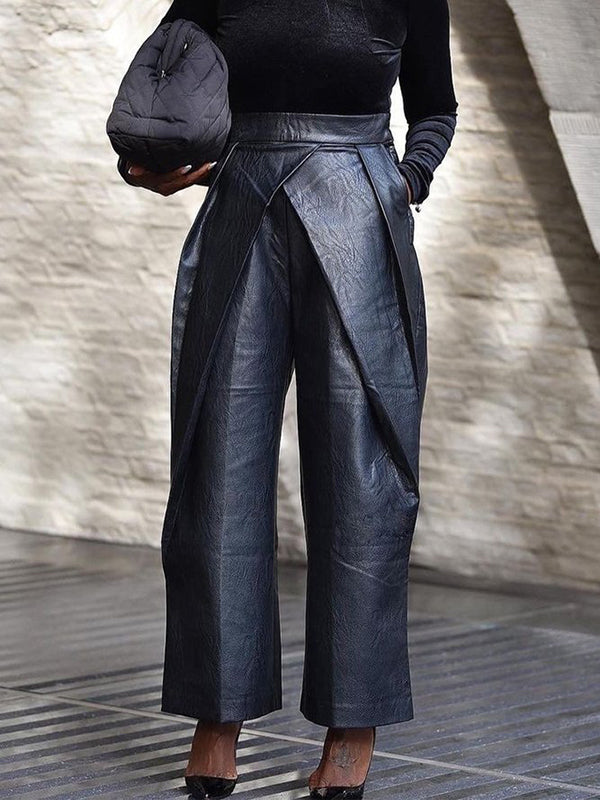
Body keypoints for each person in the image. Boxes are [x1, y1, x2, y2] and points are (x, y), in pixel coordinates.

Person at [121, 0, 458, 797]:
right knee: (218, 463)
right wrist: (151, 156)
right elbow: (162, 79)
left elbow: (435, 108)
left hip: (360, 208)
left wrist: (405, 179)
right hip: (241, 204)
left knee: (361, 476)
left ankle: (352, 726)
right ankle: (217, 716)